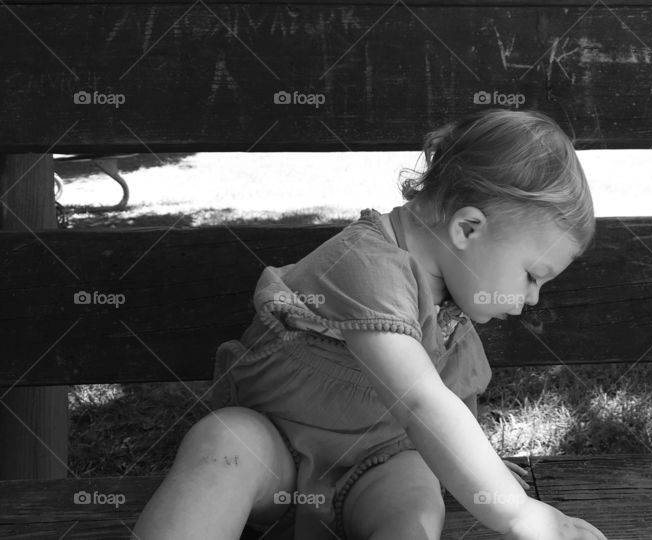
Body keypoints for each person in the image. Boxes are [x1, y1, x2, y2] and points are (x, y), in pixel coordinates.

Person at [132, 108, 605, 540]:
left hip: (380, 466)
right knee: (225, 443)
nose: (531, 299)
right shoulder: (366, 264)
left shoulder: (453, 313)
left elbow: (448, 414)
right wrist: (520, 512)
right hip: (276, 455)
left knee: (415, 500)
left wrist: (480, 470)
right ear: (468, 228)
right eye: (531, 276)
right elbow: (422, 401)